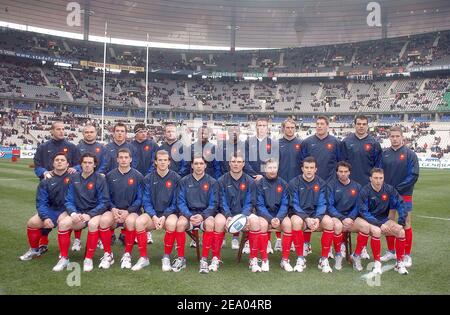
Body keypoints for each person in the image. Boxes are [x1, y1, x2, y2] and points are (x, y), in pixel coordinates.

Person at [53, 153, 109, 272]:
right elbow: (69, 200)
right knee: (63, 224)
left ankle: (88, 258)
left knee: (93, 224)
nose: (87, 165)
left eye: (90, 163)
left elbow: (104, 202)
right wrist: (73, 213)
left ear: (94, 165)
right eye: (85, 162)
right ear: (81, 164)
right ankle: (64, 258)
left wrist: (90, 214)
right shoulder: (74, 178)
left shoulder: (100, 179)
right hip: (78, 212)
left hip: (94, 213)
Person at [33, 121, 79, 253]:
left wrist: (74, 169)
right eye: (58, 129)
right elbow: (37, 166)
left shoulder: (71, 146)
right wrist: (44, 172)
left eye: (63, 129)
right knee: (45, 212)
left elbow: (78, 165)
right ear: (51, 131)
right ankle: (43, 240)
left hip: (66, 185)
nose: (61, 131)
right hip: (49, 185)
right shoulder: (43, 147)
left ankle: (66, 245)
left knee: (67, 214)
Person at [131, 150, 181, 271]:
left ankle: (166, 257)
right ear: (155, 162)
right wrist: (153, 216)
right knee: (139, 222)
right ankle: (144, 258)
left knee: (172, 223)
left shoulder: (176, 178)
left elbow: (176, 202)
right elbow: (146, 200)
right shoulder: (148, 178)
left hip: (169, 214)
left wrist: (164, 216)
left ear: (169, 162)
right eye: (160, 160)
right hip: (152, 214)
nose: (163, 162)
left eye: (165, 160)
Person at [300, 116, 343, 255]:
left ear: (327, 126)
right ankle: (306, 244)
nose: (319, 126)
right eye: (317, 124)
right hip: (310, 184)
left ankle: (329, 246)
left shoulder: (335, 142)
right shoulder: (307, 142)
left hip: (329, 184)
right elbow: (302, 162)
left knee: (327, 214)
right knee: (309, 209)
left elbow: (339, 163)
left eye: (322, 124)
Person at [19, 153, 71, 261]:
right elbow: (41, 202)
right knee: (32, 222)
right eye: (57, 160)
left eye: (62, 160)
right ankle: (34, 250)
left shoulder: (74, 178)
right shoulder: (45, 180)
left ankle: (64, 255)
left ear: (68, 164)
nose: (59, 162)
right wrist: (45, 217)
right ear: (53, 163)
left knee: (63, 223)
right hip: (52, 209)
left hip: (68, 210)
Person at [380, 126, 419, 268]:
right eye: (392, 136)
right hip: (387, 195)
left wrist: (397, 189)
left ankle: (406, 255)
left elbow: (413, 175)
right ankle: (391, 251)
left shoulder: (410, 154)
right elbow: (379, 173)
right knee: (388, 221)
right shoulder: (384, 154)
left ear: (402, 137)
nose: (395, 138)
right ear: (389, 137)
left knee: (406, 223)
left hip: (404, 195)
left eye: (397, 136)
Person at [357, 168, 409, 275]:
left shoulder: (389, 189)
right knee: (376, 231)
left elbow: (401, 204)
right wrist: (379, 224)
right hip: (368, 220)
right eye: (375, 178)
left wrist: (401, 222)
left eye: (381, 178)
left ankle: (399, 263)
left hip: (384, 219)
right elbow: (363, 212)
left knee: (401, 232)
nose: (378, 181)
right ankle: (377, 263)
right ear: (370, 178)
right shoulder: (365, 191)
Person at [100, 148, 144, 270]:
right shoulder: (109, 176)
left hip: (131, 211)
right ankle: (108, 254)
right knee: (103, 221)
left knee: (130, 221)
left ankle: (127, 254)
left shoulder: (138, 176)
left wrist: (128, 211)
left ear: (130, 159)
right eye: (121, 157)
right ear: (117, 159)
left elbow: (140, 199)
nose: (124, 160)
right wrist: (113, 208)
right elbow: (106, 196)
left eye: (126, 157)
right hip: (113, 210)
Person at [288, 156, 334, 273]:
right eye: (306, 167)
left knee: (329, 222)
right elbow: (294, 204)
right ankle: (300, 258)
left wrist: (318, 218)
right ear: (302, 169)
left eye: (311, 168)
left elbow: (322, 203)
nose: (309, 170)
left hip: (315, 214)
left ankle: (323, 259)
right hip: (299, 214)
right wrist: (306, 219)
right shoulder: (294, 182)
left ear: (315, 169)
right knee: (296, 222)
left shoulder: (321, 183)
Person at [176, 154, 219, 273]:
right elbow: (181, 202)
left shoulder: (212, 182)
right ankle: (181, 258)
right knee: (180, 224)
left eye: (201, 164)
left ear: (205, 165)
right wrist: (189, 216)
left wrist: (203, 216)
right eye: (196, 164)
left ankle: (204, 260)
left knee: (210, 224)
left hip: (205, 215)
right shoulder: (184, 181)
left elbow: (214, 204)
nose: (199, 166)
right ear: (191, 165)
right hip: (188, 214)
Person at [212, 153, 255, 272]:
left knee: (255, 221)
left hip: (243, 213)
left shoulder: (250, 181)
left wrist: (244, 217)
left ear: (243, 164)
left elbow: (250, 202)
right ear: (229, 163)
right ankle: (215, 258)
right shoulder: (221, 180)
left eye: (239, 162)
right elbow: (222, 201)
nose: (236, 164)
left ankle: (253, 259)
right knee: (219, 222)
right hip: (226, 213)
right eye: (234, 162)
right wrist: (228, 216)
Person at [327, 161, 370, 271]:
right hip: (337, 217)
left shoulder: (357, 186)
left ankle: (356, 255)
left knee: (365, 227)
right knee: (337, 226)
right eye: (340, 171)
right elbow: (330, 206)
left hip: (352, 218)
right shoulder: (331, 185)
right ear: (337, 172)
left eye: (345, 171)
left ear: (349, 172)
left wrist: (350, 218)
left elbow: (359, 205)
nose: (343, 174)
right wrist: (342, 218)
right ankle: (338, 255)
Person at [73, 124, 106, 250]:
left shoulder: (101, 147)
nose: (89, 134)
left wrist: (98, 173)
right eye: (86, 132)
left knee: (96, 203)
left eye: (91, 131)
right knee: (80, 204)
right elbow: (75, 164)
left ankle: (97, 238)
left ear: (96, 133)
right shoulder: (77, 147)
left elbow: (105, 163)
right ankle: (77, 239)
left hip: (97, 179)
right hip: (82, 179)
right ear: (83, 133)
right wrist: (79, 170)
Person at [254, 159, 292, 272]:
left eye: (274, 167)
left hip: (279, 215)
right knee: (263, 225)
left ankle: (285, 259)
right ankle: (265, 259)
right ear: (265, 169)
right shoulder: (259, 184)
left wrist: (279, 218)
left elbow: (285, 204)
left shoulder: (283, 184)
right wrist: (270, 219)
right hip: (264, 215)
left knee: (288, 224)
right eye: (270, 168)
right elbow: (259, 205)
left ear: (277, 168)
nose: (272, 170)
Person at [276, 118, 303, 251]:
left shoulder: (301, 144)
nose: (290, 130)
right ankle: (278, 240)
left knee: (294, 210)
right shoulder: (277, 144)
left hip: (296, 183)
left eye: (292, 127)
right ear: (283, 128)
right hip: (280, 182)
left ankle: (292, 239)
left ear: (295, 129)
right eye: (287, 127)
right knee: (279, 210)